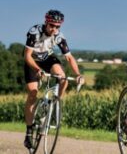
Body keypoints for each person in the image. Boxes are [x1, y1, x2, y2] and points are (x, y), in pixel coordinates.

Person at [23, 9, 84, 149]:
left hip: (47, 58)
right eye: (52, 25)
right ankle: (29, 131)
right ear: (46, 23)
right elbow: (27, 56)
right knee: (32, 94)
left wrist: (78, 74)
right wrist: (38, 70)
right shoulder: (35, 32)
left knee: (63, 79)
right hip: (32, 61)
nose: (54, 29)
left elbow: (69, 57)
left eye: (58, 26)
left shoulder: (58, 36)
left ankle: (55, 103)